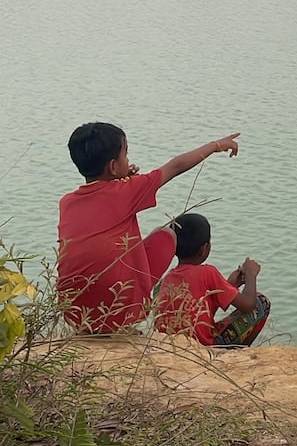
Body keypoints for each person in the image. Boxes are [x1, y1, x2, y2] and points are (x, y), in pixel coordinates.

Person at [57, 121, 240, 334]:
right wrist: (216, 145)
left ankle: (98, 328)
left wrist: (121, 181)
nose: (129, 160)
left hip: (75, 314)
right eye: (126, 154)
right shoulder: (127, 191)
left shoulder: (67, 202)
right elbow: (175, 166)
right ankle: (122, 323)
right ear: (113, 166)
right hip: (116, 312)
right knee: (166, 236)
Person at [155, 212, 269, 346]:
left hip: (171, 345)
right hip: (204, 347)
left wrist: (230, 285)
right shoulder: (208, 272)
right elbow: (248, 305)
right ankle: (239, 352)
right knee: (261, 302)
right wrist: (251, 275)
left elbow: (198, 306)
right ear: (204, 249)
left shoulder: (166, 279)